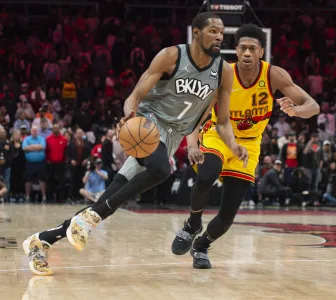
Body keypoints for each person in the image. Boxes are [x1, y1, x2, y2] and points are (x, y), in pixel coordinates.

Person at [23, 12, 248, 276]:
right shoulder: (171, 56)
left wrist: (232, 145)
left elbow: (222, 122)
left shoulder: (223, 71)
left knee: (108, 202)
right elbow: (135, 95)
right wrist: (129, 115)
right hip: (149, 124)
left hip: (173, 136)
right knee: (162, 170)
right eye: (213, 31)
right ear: (196, 33)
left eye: (222, 33)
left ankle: (41, 241)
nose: (220, 37)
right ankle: (91, 217)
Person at [171, 24, 319, 269]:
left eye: (253, 48)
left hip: (249, 145)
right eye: (243, 48)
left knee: (228, 215)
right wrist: (192, 144)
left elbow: (313, 105)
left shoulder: (274, 75)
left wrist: (296, 111)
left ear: (261, 51)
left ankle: (201, 246)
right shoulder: (222, 74)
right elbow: (197, 112)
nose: (248, 53)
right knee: (207, 173)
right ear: (236, 51)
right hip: (219, 134)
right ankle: (192, 224)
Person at [22, 126, 47, 203]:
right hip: (30, 164)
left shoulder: (42, 139)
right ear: (31, 131)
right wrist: (37, 148)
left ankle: (44, 197)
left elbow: (42, 147)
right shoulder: (26, 139)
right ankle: (27, 197)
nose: (34, 132)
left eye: (36, 131)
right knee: (28, 180)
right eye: (33, 131)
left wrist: (30, 147)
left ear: (38, 132)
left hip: (40, 163)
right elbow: (24, 148)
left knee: (42, 180)